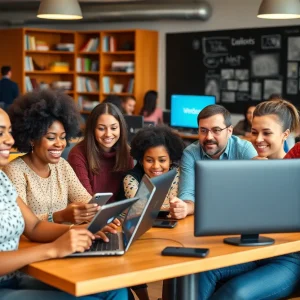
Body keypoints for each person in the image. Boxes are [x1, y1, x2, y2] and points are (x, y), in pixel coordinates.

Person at [0, 107, 128, 300]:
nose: (10, 140)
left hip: (16, 276)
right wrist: (53, 249)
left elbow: (33, 226)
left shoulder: (2, 179)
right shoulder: (13, 171)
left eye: (9, 132)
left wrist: (80, 231)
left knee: (116, 290)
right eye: (1, 133)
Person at [197, 100, 300, 299]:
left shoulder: (295, 169)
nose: (258, 139)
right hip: (253, 250)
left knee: (236, 293)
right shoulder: (250, 168)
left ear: (285, 134)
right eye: (254, 132)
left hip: (289, 258)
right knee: (198, 273)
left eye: (267, 133)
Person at [3, 90, 97, 224]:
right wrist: (60, 216)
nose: (59, 144)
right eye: (51, 137)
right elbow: (22, 222)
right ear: (32, 139)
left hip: (66, 237)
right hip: (33, 244)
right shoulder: (14, 171)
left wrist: (99, 213)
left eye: (63, 137)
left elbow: (83, 198)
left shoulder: (62, 165)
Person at [179, 104, 257, 205]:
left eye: (216, 130)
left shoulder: (244, 149)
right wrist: (186, 207)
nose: (209, 137)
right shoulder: (190, 153)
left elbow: (257, 189)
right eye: (203, 130)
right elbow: (187, 193)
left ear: (229, 131)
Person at [118, 125, 190, 219]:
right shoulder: (131, 179)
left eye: (162, 160)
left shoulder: (177, 173)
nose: (156, 166)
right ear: (141, 161)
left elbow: (174, 204)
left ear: (171, 160)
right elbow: (140, 209)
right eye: (149, 160)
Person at [68, 103, 134, 202]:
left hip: (120, 213)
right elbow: (87, 201)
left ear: (121, 128)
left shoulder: (127, 153)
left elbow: (128, 195)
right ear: (92, 129)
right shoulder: (77, 154)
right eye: (101, 128)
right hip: (92, 214)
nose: (108, 134)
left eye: (114, 128)